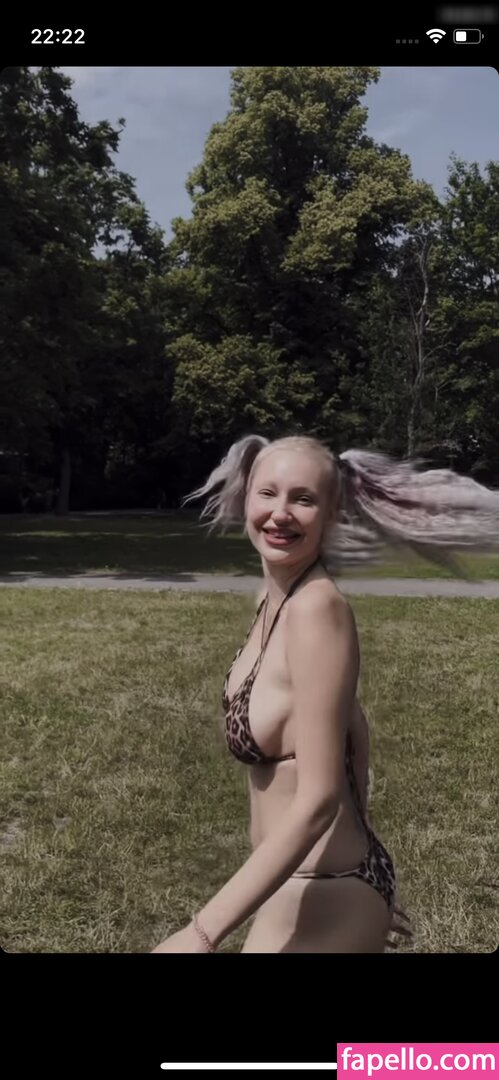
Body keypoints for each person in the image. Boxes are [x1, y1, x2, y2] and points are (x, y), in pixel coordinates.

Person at [151, 435, 499, 953]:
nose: (280, 513)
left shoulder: (317, 609)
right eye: (268, 493)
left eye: (303, 499)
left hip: (326, 893)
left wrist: (200, 934)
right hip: (307, 886)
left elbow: (318, 799)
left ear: (331, 515)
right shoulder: (274, 598)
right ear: (246, 497)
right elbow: (350, 725)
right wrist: (370, 855)